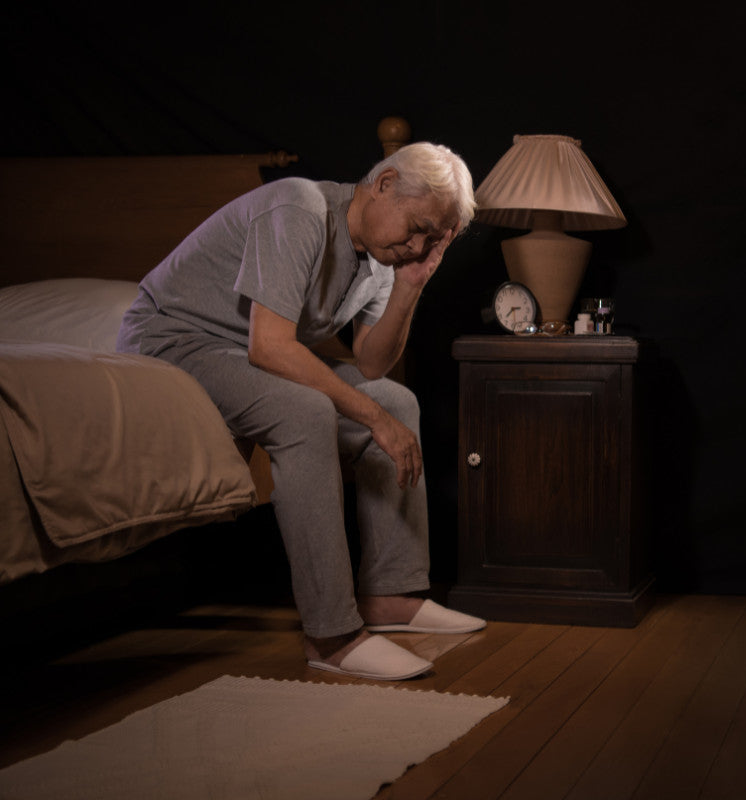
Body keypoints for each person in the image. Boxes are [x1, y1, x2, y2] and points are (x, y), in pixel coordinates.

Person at [116, 141, 485, 681]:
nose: (419, 244)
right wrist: (373, 421)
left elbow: (373, 364)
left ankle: (390, 596)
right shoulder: (299, 208)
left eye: (433, 238)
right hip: (176, 339)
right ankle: (331, 634)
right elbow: (269, 347)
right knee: (308, 411)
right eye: (418, 226)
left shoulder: (385, 256)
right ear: (383, 185)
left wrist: (411, 287)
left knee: (397, 402)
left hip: (243, 350)